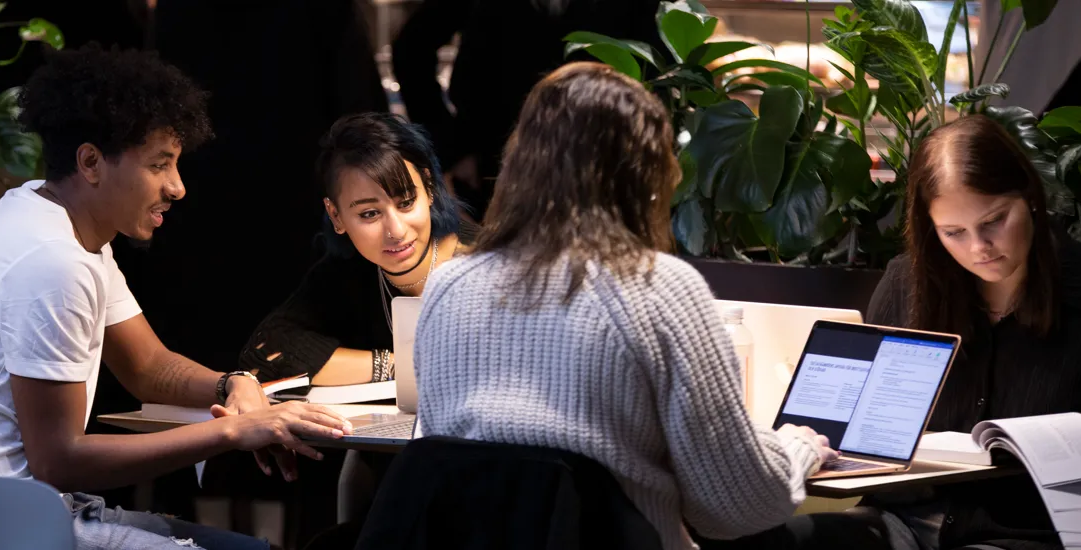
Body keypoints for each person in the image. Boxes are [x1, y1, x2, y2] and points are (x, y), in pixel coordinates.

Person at [0, 45, 351, 550]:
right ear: (91, 161)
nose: (177, 188)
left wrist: (232, 385)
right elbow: (60, 459)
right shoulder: (51, 260)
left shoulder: (56, 220)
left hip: (13, 509)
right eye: (160, 165)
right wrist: (231, 434)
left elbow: (149, 367)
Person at [410, 62, 839, 550]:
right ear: (646, 176)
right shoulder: (658, 290)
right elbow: (733, 506)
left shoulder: (448, 287)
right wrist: (797, 448)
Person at [703, 115, 1081, 550]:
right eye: (954, 233)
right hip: (900, 518)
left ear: (1029, 198)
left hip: (1019, 533)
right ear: (930, 226)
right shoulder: (907, 284)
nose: (978, 247)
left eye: (994, 221)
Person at [238, 112, 472, 387]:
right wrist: (398, 365)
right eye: (370, 214)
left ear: (429, 188)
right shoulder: (348, 269)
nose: (396, 230)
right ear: (336, 215)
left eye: (406, 202)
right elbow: (265, 352)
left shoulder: (490, 260)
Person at [391, 0, 662, 218]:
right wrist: (451, 147)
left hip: (608, 163)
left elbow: (664, 68)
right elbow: (412, 49)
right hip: (496, 160)